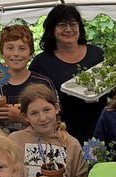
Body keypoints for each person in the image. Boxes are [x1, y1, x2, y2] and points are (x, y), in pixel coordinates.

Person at [29, 5, 106, 143]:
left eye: (72, 24)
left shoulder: (97, 54)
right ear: (52, 30)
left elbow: (113, 90)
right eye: (62, 25)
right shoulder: (42, 62)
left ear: (79, 27)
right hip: (59, 133)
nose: (68, 29)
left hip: (99, 129)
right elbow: (32, 97)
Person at [8, 83, 88, 177]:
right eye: (34, 113)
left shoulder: (71, 144)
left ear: (56, 108)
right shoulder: (15, 141)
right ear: (25, 116)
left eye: (47, 110)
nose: (42, 118)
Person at [0, 24, 57, 134]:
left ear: (30, 53)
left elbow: (56, 122)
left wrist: (20, 118)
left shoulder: (43, 83)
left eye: (22, 48)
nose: (16, 54)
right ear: (2, 52)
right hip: (5, 147)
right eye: (10, 48)